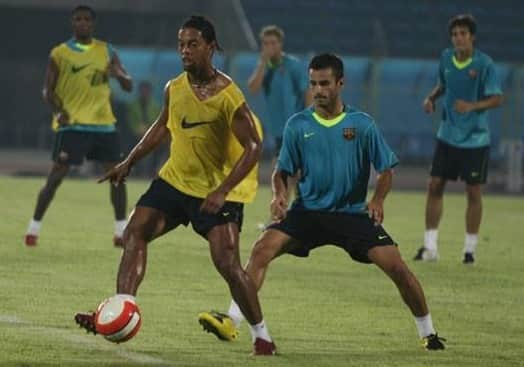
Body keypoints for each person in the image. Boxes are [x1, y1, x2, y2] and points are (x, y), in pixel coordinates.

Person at [200, 53, 446, 351]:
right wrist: (279, 195)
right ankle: (233, 320)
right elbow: (282, 171)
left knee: (397, 267)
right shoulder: (297, 125)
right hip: (307, 213)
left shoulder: (362, 125)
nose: (318, 90)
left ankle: (429, 333)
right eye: (313, 83)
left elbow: (386, 171)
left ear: (341, 83)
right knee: (262, 249)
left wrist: (378, 199)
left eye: (325, 83)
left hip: (352, 214)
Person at [74, 15, 276, 356]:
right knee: (134, 232)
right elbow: (162, 126)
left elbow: (254, 147)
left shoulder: (229, 95)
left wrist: (223, 190)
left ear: (211, 47)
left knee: (227, 265)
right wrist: (129, 162)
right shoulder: (174, 87)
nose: (185, 50)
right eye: (181, 44)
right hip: (174, 182)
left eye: (193, 44)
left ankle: (262, 336)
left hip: (213, 192)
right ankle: (122, 310)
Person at [24, 5, 133, 248]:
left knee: (117, 177)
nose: (82, 23)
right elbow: (47, 91)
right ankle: (33, 228)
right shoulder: (60, 53)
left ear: (93, 24)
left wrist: (118, 74)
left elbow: (128, 86)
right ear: (72, 23)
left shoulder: (106, 50)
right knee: (55, 179)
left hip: (104, 125)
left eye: (86, 19)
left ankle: (120, 231)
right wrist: (58, 111)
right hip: (72, 124)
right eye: (78, 19)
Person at [414, 14, 503, 264]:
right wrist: (431, 98)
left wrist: (472, 106)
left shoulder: (484, 64)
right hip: (448, 135)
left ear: (472, 37)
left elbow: (497, 98)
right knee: (434, 185)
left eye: (463, 33)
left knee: (473, 192)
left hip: (475, 139)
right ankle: (430, 247)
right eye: (455, 34)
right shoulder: (445, 58)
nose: (458, 38)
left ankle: (469, 251)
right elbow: (443, 84)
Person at [248, 25, 311, 158]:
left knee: (289, 168)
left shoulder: (292, 65)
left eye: (273, 43)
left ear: (280, 44)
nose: (269, 46)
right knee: (284, 169)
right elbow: (253, 88)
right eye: (265, 43)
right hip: (277, 128)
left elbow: (307, 92)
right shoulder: (264, 67)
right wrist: (262, 63)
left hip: (295, 127)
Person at [125, 80, 164, 176]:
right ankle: (140, 173)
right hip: (135, 136)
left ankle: (151, 172)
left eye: (146, 90)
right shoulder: (132, 106)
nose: (144, 93)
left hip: (151, 136)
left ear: (150, 92)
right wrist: (138, 132)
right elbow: (131, 123)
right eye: (143, 90)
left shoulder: (156, 107)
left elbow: (158, 123)